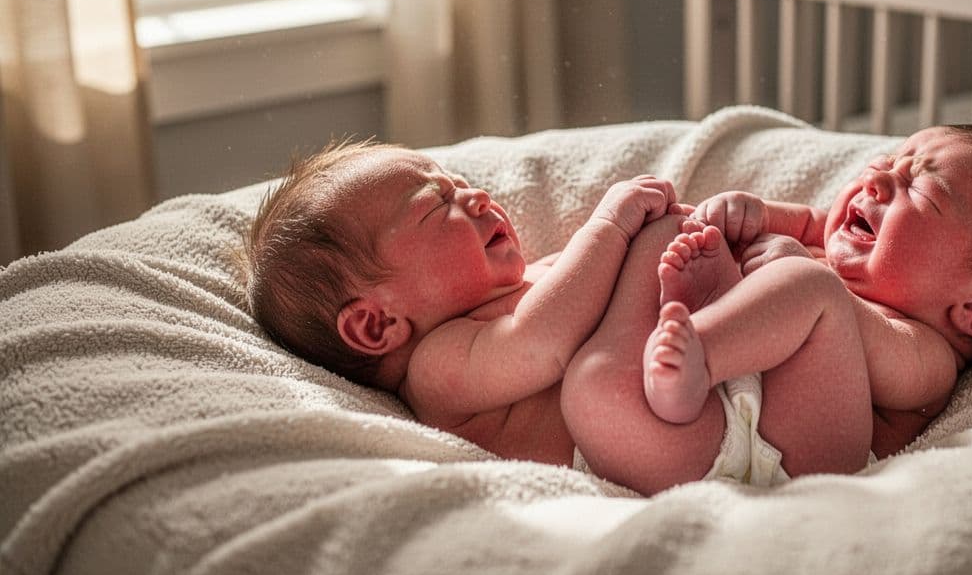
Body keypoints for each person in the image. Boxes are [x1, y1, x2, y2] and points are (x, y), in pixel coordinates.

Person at [560, 123, 972, 495]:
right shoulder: (832, 247)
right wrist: (745, 214)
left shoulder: (926, 352)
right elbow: (802, 224)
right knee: (666, 233)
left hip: (777, 458)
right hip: (694, 429)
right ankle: (647, 355)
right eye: (890, 161)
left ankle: (700, 344)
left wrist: (791, 263)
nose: (879, 178)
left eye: (920, 189)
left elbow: (809, 278)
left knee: (812, 290)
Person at [240, 138, 684, 467]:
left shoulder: (531, 279)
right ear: (376, 324)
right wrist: (607, 227)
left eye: (458, 184)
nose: (476, 197)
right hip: (667, 431)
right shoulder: (438, 367)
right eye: (437, 206)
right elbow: (541, 341)